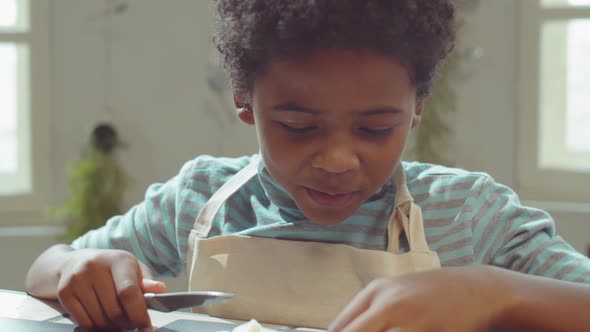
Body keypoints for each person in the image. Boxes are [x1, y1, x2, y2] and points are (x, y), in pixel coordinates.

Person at [26, 1, 590, 331]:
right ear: (245, 100)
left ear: (417, 107)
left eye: (374, 129)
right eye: (298, 126)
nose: (338, 160)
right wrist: (84, 268)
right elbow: (50, 267)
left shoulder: (468, 212)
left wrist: (492, 291)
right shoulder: (199, 198)